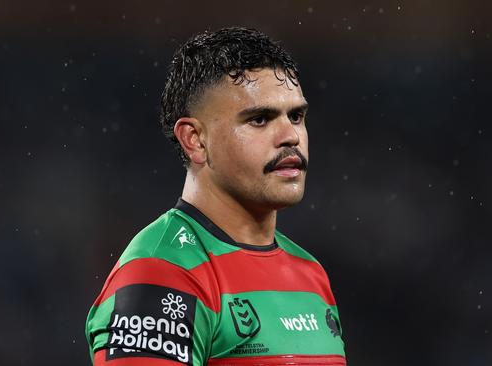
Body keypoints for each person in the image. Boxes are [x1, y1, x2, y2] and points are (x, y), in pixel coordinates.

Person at [85, 27, 346, 365]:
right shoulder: (162, 270)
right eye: (260, 119)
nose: (290, 136)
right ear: (194, 139)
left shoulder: (310, 273)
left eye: (296, 116)